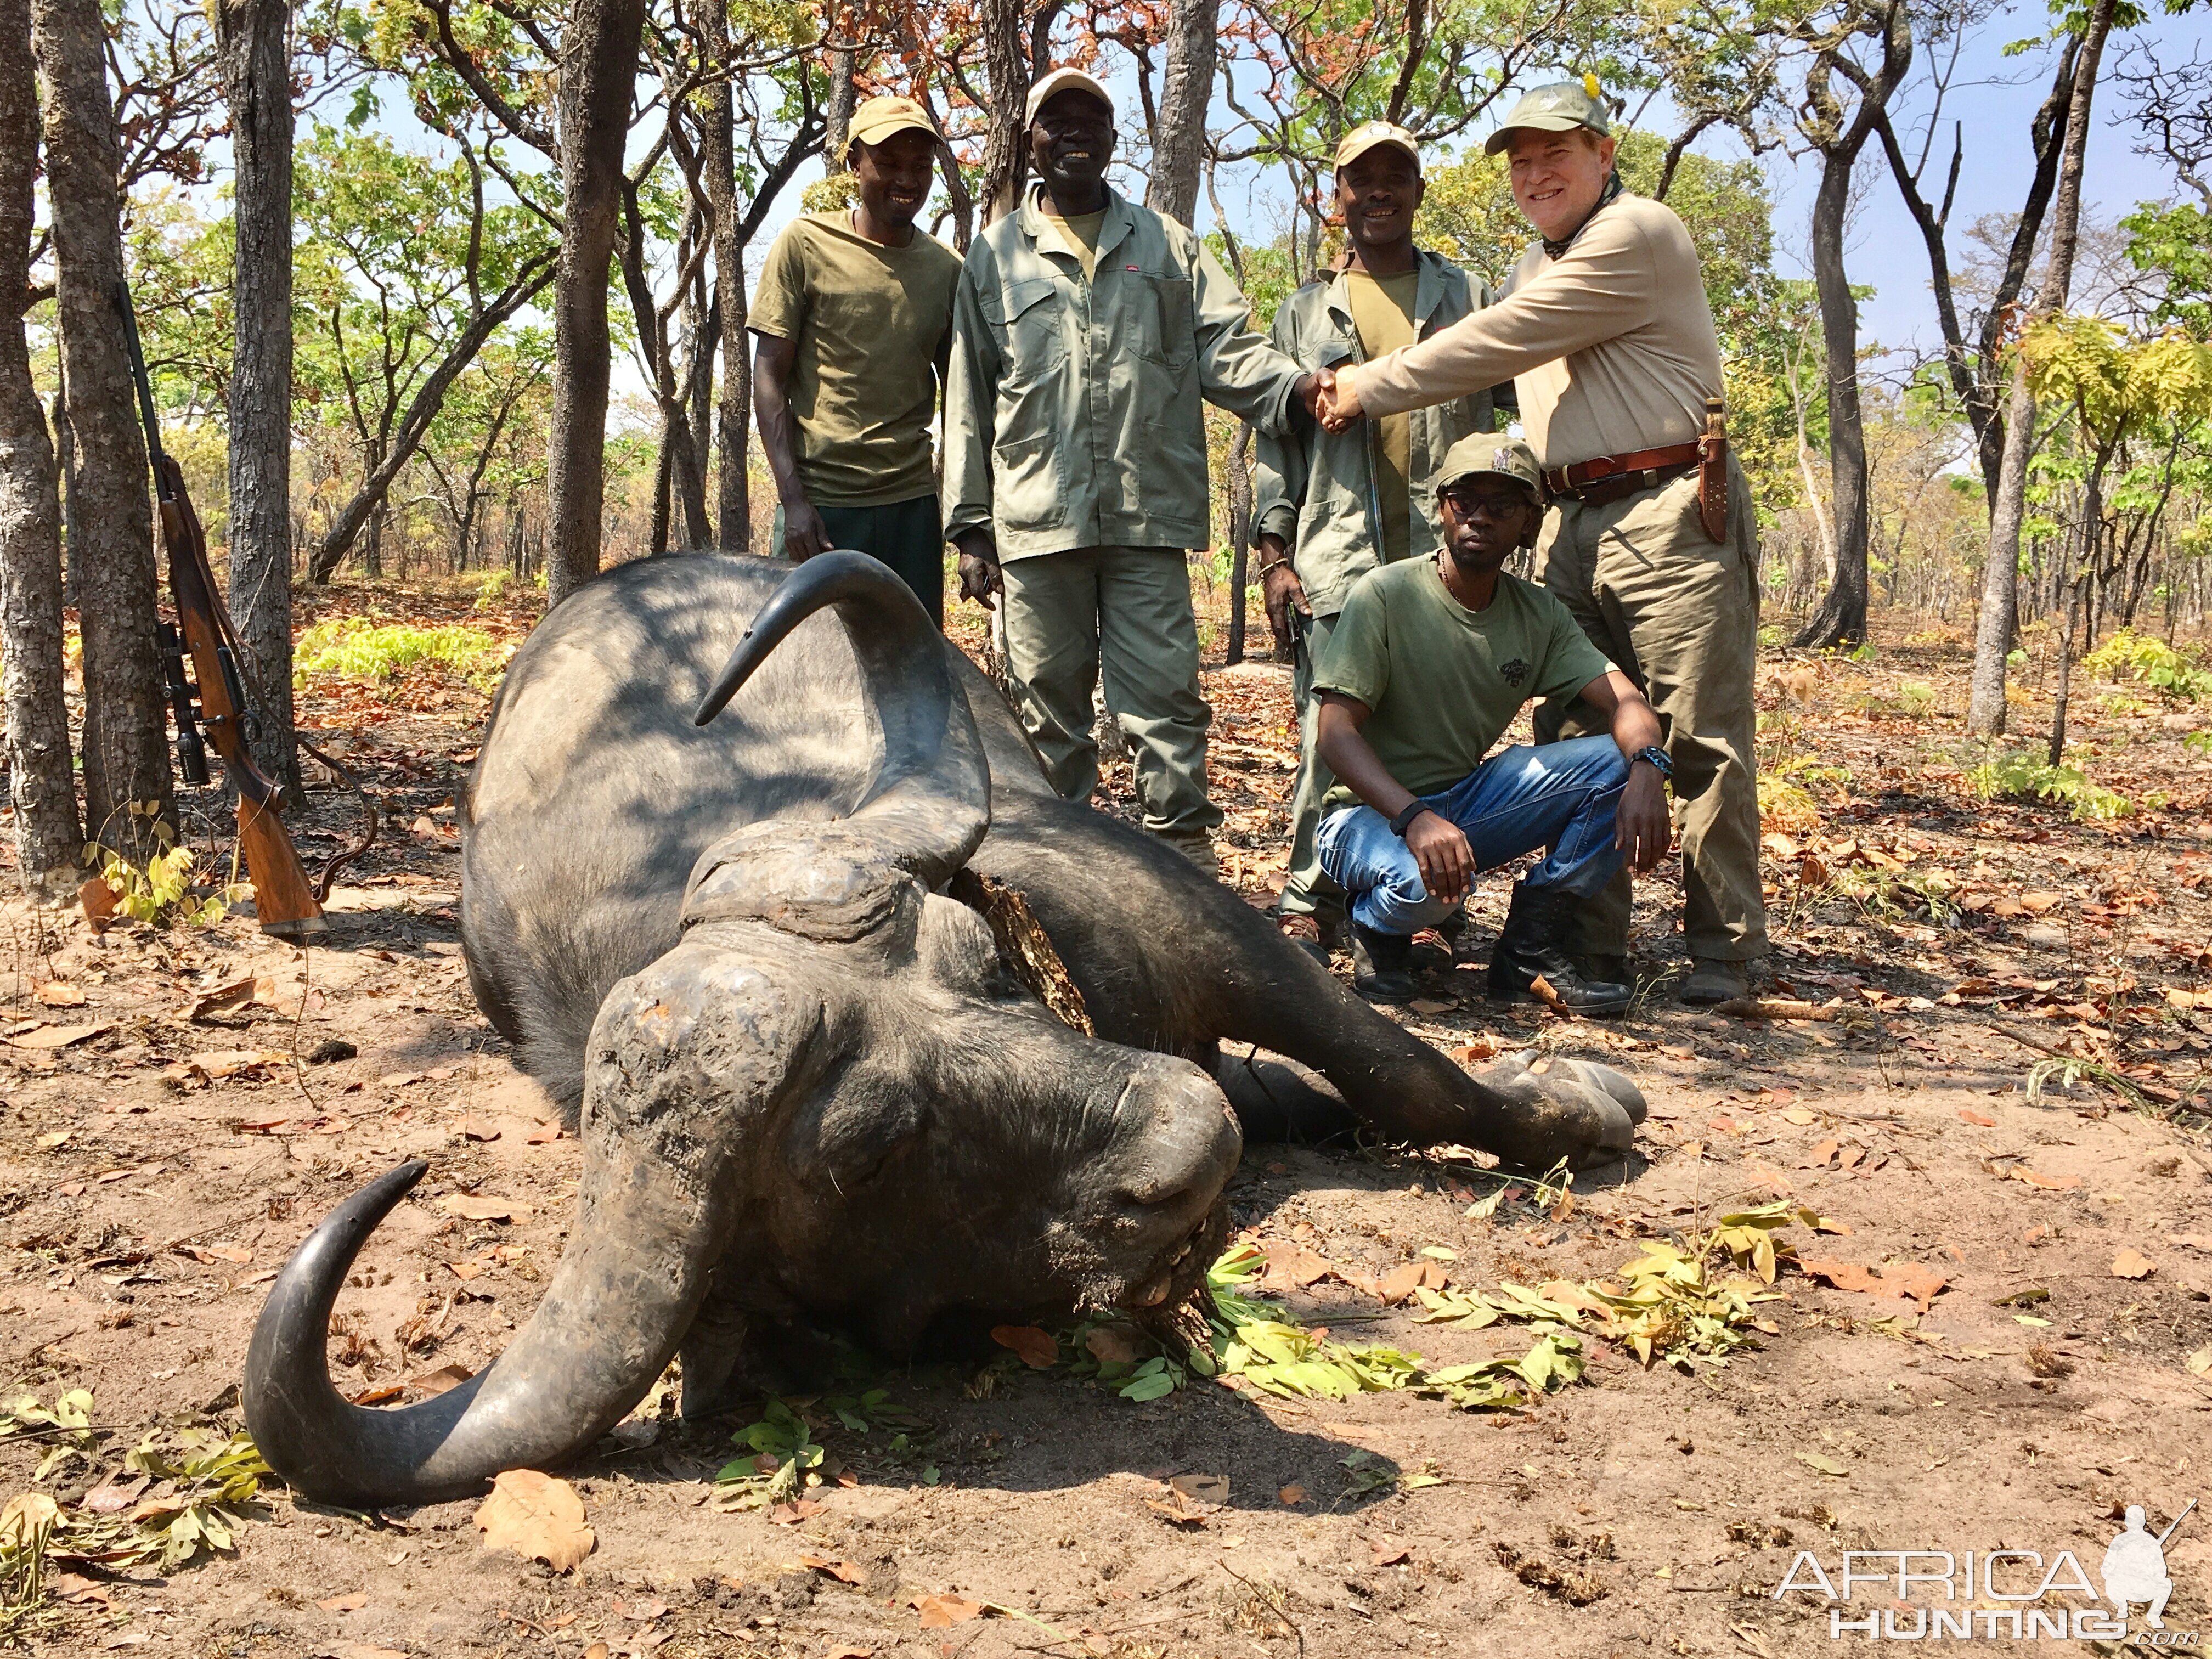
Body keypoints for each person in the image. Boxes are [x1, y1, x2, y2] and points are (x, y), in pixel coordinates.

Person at [1316, 80, 1767, 1005]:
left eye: (1554, 152)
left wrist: (1368, 384)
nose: (1534, 172)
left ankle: (1725, 951)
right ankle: (1581, 946)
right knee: (1575, 731)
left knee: (1699, 739)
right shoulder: (1528, 267)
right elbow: (1494, 383)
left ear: (1604, 155)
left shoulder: (1639, 233)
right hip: (1565, 519)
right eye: (1518, 160)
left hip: (1668, 507)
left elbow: (1499, 341)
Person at [943, 66, 1330, 871]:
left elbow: (1226, 349)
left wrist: (1294, 388)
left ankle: (1186, 874)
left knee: (1165, 705)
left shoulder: (1166, 245)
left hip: (1147, 517)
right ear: (1031, 140)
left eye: (1093, 119)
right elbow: (971, 396)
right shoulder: (993, 256)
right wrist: (972, 528)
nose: (1076, 132)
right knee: (1045, 713)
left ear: (1116, 142)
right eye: (1058, 120)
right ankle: (1057, 882)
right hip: (1036, 521)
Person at [1311, 435, 1670, 1010]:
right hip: (1364, 816)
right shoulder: (1387, 593)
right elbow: (1334, 733)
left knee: (1618, 762)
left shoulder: (1538, 614)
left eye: (1502, 507)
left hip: (1463, 802)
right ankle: (1376, 927)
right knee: (1425, 887)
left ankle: (1527, 949)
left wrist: (1651, 770)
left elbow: (1625, 701)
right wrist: (1414, 816)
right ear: (1443, 509)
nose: (1480, 518)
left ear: (1529, 523)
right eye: (1465, 501)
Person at [1254, 120, 1501, 956]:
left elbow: (1507, 425)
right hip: (1334, 562)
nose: (1380, 192)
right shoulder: (1301, 311)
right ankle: (1308, 896)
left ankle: (1425, 906)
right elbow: (1276, 447)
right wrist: (1275, 558)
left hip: (1442, 563)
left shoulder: (1463, 297)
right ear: (1339, 199)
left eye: (1398, 176)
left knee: (1431, 742)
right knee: (1327, 738)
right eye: (1363, 180)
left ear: (1420, 192)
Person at [752, 95, 962, 623]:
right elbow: (770, 375)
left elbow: (964, 398)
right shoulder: (804, 243)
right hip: (822, 508)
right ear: (855, 163)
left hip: (911, 508)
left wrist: (971, 519)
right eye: (888, 163)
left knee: (910, 672)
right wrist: (794, 501)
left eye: (920, 166)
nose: (906, 180)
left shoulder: (948, 270)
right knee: (802, 674)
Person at [2101, 1506, 2174, 1629]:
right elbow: (2106, 1569)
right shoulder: (2120, 1541)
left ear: (2127, 1522)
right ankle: (2123, 1608)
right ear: (2143, 1522)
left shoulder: (2148, 1542)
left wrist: (2146, 1572)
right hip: (2124, 1586)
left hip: (2140, 1587)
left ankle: (2152, 1615)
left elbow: (2161, 1570)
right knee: (2166, 1584)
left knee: (2166, 1583)